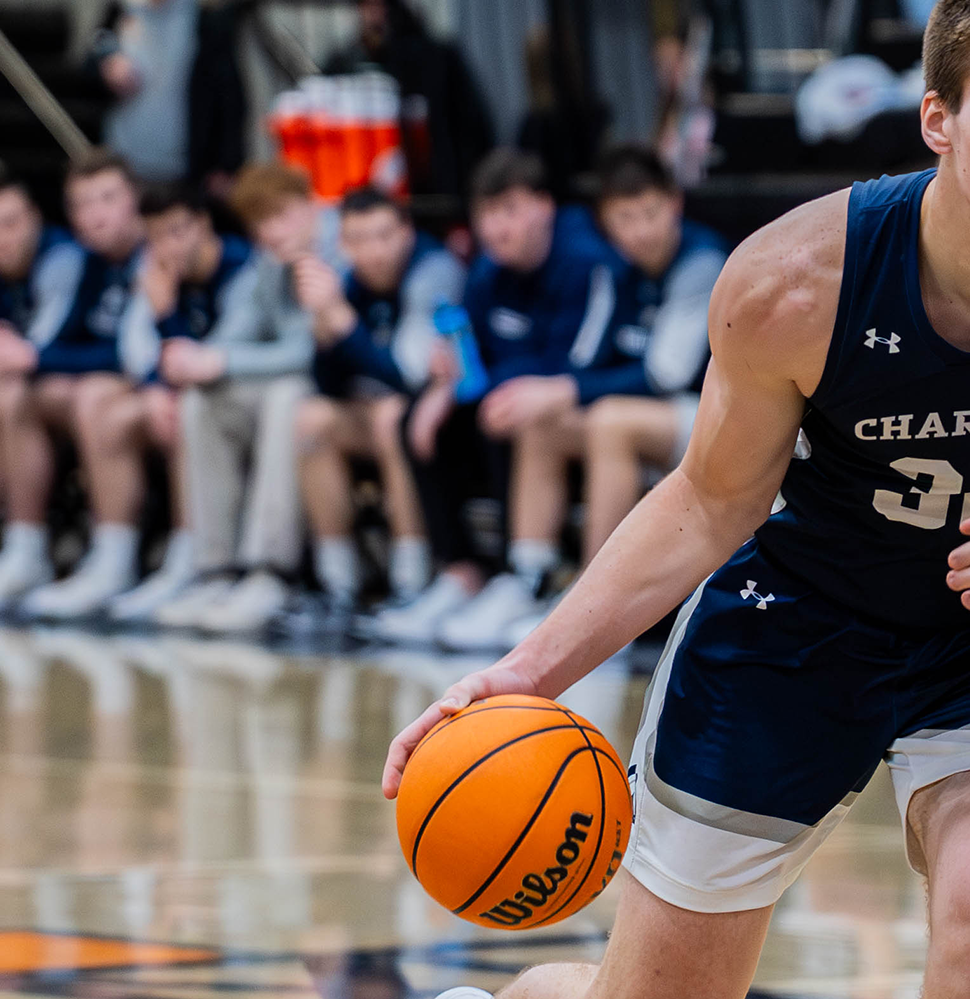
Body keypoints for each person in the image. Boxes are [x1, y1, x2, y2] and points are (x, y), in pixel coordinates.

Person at [386, 0, 970, 999]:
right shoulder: (797, 281)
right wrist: (529, 671)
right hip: (795, 627)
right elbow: (710, 501)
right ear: (938, 121)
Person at [436, 146, 725, 650]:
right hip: (653, 416)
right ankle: (529, 577)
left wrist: (564, 389)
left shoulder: (701, 263)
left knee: (608, 419)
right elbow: (592, 360)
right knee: (543, 422)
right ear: (606, 222)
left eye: (650, 213)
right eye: (625, 219)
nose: (640, 231)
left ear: (674, 204)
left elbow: (667, 374)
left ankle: (596, 605)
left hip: (715, 417)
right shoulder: (618, 267)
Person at [368, 149, 623, 646]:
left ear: (543, 207)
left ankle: (521, 576)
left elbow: (583, 362)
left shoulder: (586, 263)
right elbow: (470, 354)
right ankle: (460, 570)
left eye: (509, 210)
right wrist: (443, 385)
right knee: (415, 418)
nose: (495, 227)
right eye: (486, 214)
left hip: (578, 399)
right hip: (511, 396)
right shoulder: (487, 270)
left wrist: (503, 384)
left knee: (508, 408)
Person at [138, 164, 317, 634]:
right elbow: (229, 338)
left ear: (311, 207)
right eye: (260, 223)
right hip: (297, 387)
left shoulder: (336, 253)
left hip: (331, 394)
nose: (272, 232)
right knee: (204, 400)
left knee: (285, 396)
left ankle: (270, 572)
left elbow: (308, 353)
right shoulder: (267, 264)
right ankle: (214, 569)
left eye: (282, 215)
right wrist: (194, 355)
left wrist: (220, 361)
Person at [289, 187, 462, 624]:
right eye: (360, 240)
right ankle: (338, 582)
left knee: (391, 417)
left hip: (446, 421)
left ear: (407, 231)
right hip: (376, 411)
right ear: (344, 245)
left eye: (384, 236)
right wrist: (324, 329)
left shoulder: (433, 271)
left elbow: (408, 375)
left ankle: (411, 579)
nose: (374, 251)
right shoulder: (347, 281)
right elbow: (327, 385)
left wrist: (342, 321)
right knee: (311, 417)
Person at [10, 151, 155, 619]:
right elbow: (58, 343)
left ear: (135, 199)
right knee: (13, 393)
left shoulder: (155, 252)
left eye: (108, 199)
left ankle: (115, 559)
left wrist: (33, 356)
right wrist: (30, 357)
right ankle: (25, 548)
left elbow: (135, 357)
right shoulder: (84, 260)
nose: (95, 215)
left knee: (91, 394)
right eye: (82, 204)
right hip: (108, 387)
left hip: (161, 388)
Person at [84, 0, 245, 190]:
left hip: (187, 160)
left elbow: (229, 91)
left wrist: (228, 162)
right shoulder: (120, 5)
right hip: (125, 153)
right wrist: (108, 64)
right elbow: (94, 52)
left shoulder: (208, 11)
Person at [323, 0, 494, 201]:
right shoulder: (343, 63)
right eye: (367, 0)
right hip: (368, 190)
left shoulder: (437, 57)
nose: (376, 9)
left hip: (433, 191)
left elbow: (471, 128)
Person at [0, 166, 85, 606]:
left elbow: (36, 353)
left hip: (86, 385)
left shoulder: (63, 259)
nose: (3, 238)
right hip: (47, 385)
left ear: (35, 218)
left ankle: (27, 547)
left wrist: (22, 355)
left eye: (11, 223)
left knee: (13, 396)